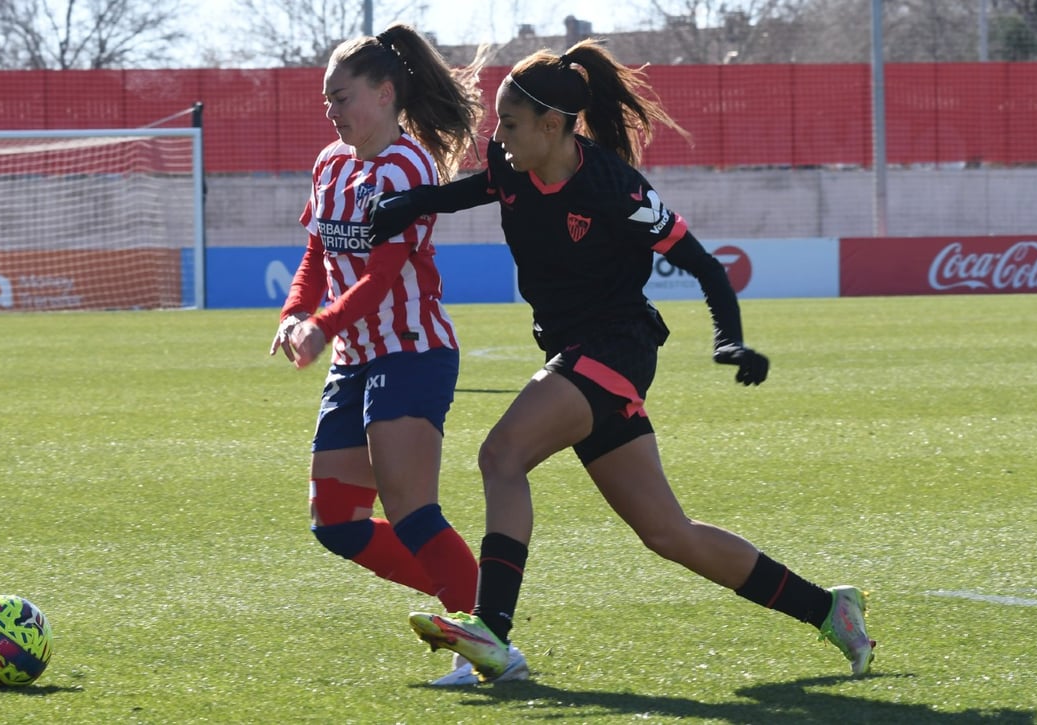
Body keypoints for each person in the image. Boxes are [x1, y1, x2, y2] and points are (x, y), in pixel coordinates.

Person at [368, 40, 877, 682]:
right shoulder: (510, 166)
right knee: (669, 533)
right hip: (575, 356)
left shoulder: (613, 185)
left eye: (511, 123)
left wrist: (729, 338)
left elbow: (702, 263)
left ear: (553, 127)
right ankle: (832, 610)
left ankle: (493, 630)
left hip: (616, 347)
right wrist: (407, 206)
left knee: (502, 455)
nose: (497, 136)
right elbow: (467, 192)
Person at [267, 23, 528, 686]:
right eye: (327, 101)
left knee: (412, 510)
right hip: (354, 360)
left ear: (384, 93)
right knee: (337, 520)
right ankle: (465, 608)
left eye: (343, 97)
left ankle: (487, 634)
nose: (333, 112)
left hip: (412, 353)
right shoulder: (330, 162)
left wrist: (321, 325)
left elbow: (383, 273)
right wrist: (297, 312)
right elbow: (318, 252)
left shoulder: (406, 167)